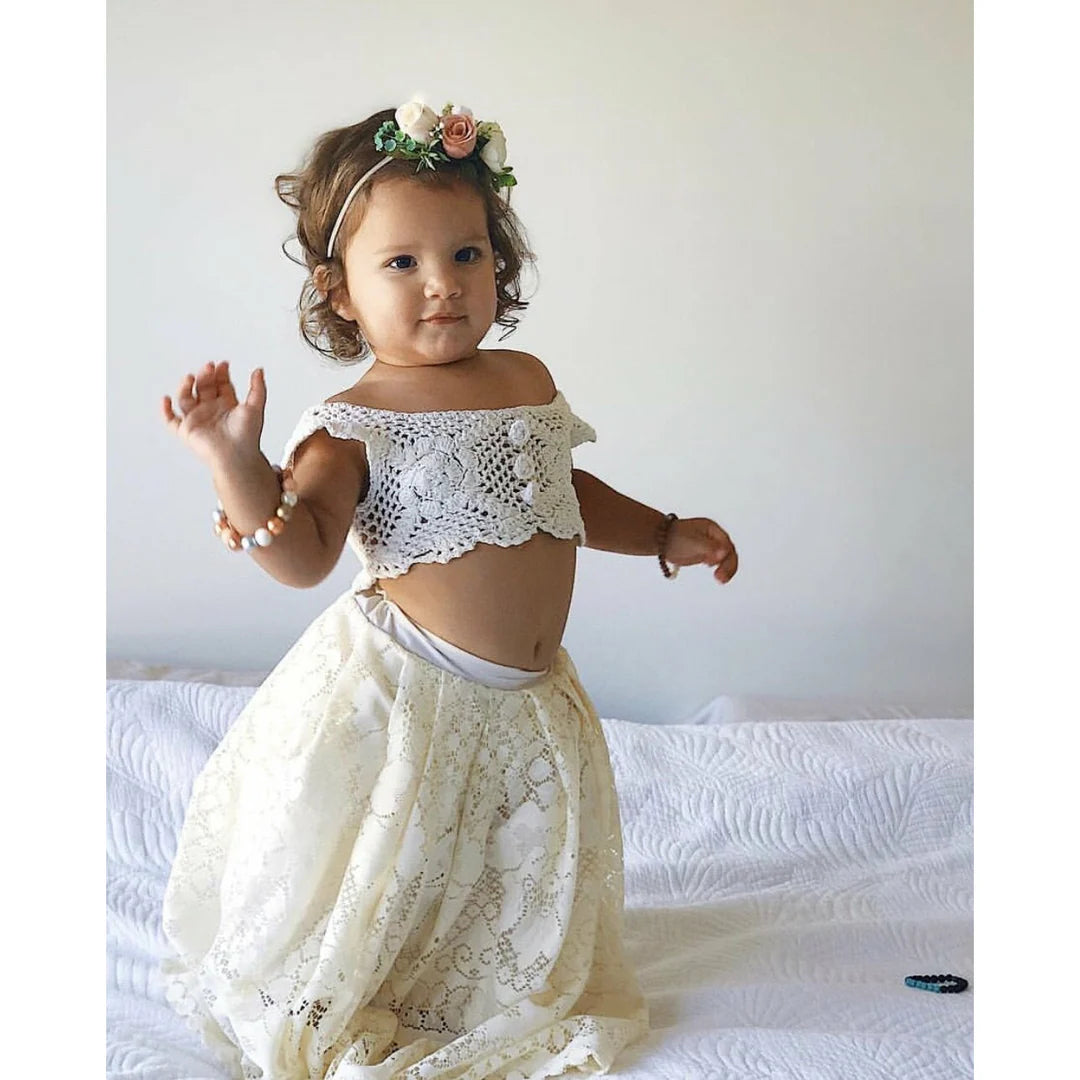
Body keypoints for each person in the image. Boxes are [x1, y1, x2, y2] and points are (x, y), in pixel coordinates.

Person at [158, 97, 739, 1080]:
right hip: (411, 708)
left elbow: (561, 491)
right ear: (339, 290)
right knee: (401, 871)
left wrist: (662, 533)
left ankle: (486, 973)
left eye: (467, 254)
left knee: (501, 873)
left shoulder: (525, 377)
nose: (443, 284)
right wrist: (234, 463)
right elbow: (301, 554)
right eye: (402, 262)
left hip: (528, 708)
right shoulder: (352, 422)